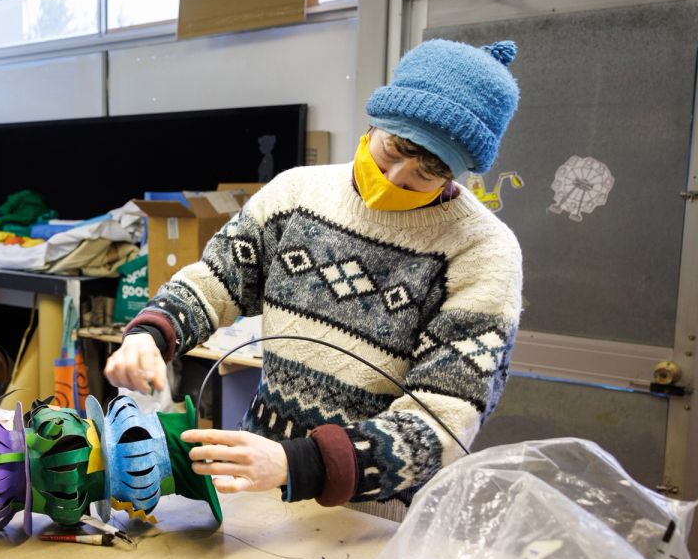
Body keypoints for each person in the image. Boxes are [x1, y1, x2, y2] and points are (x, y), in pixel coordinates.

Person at [105, 39, 523, 507]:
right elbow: (217, 279)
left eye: (430, 170)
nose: (398, 176)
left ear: (459, 172)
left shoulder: (483, 252)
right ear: (377, 120)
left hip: (373, 513)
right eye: (395, 148)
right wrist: (151, 334)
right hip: (256, 481)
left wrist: (297, 464)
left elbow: (444, 421)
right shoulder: (298, 193)